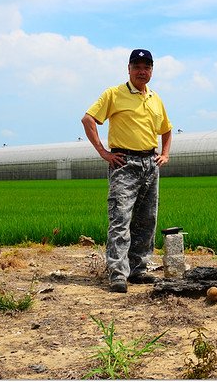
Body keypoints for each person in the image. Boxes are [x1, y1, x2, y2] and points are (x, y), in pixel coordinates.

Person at [81, 49, 173, 293]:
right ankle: (118, 274)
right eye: (137, 66)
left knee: (146, 220)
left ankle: (138, 270)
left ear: (152, 70)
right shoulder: (114, 94)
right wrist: (104, 152)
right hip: (124, 163)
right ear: (129, 69)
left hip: (150, 164)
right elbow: (88, 120)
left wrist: (164, 154)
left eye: (147, 67)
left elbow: (166, 129)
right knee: (120, 218)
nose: (142, 71)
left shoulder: (155, 98)